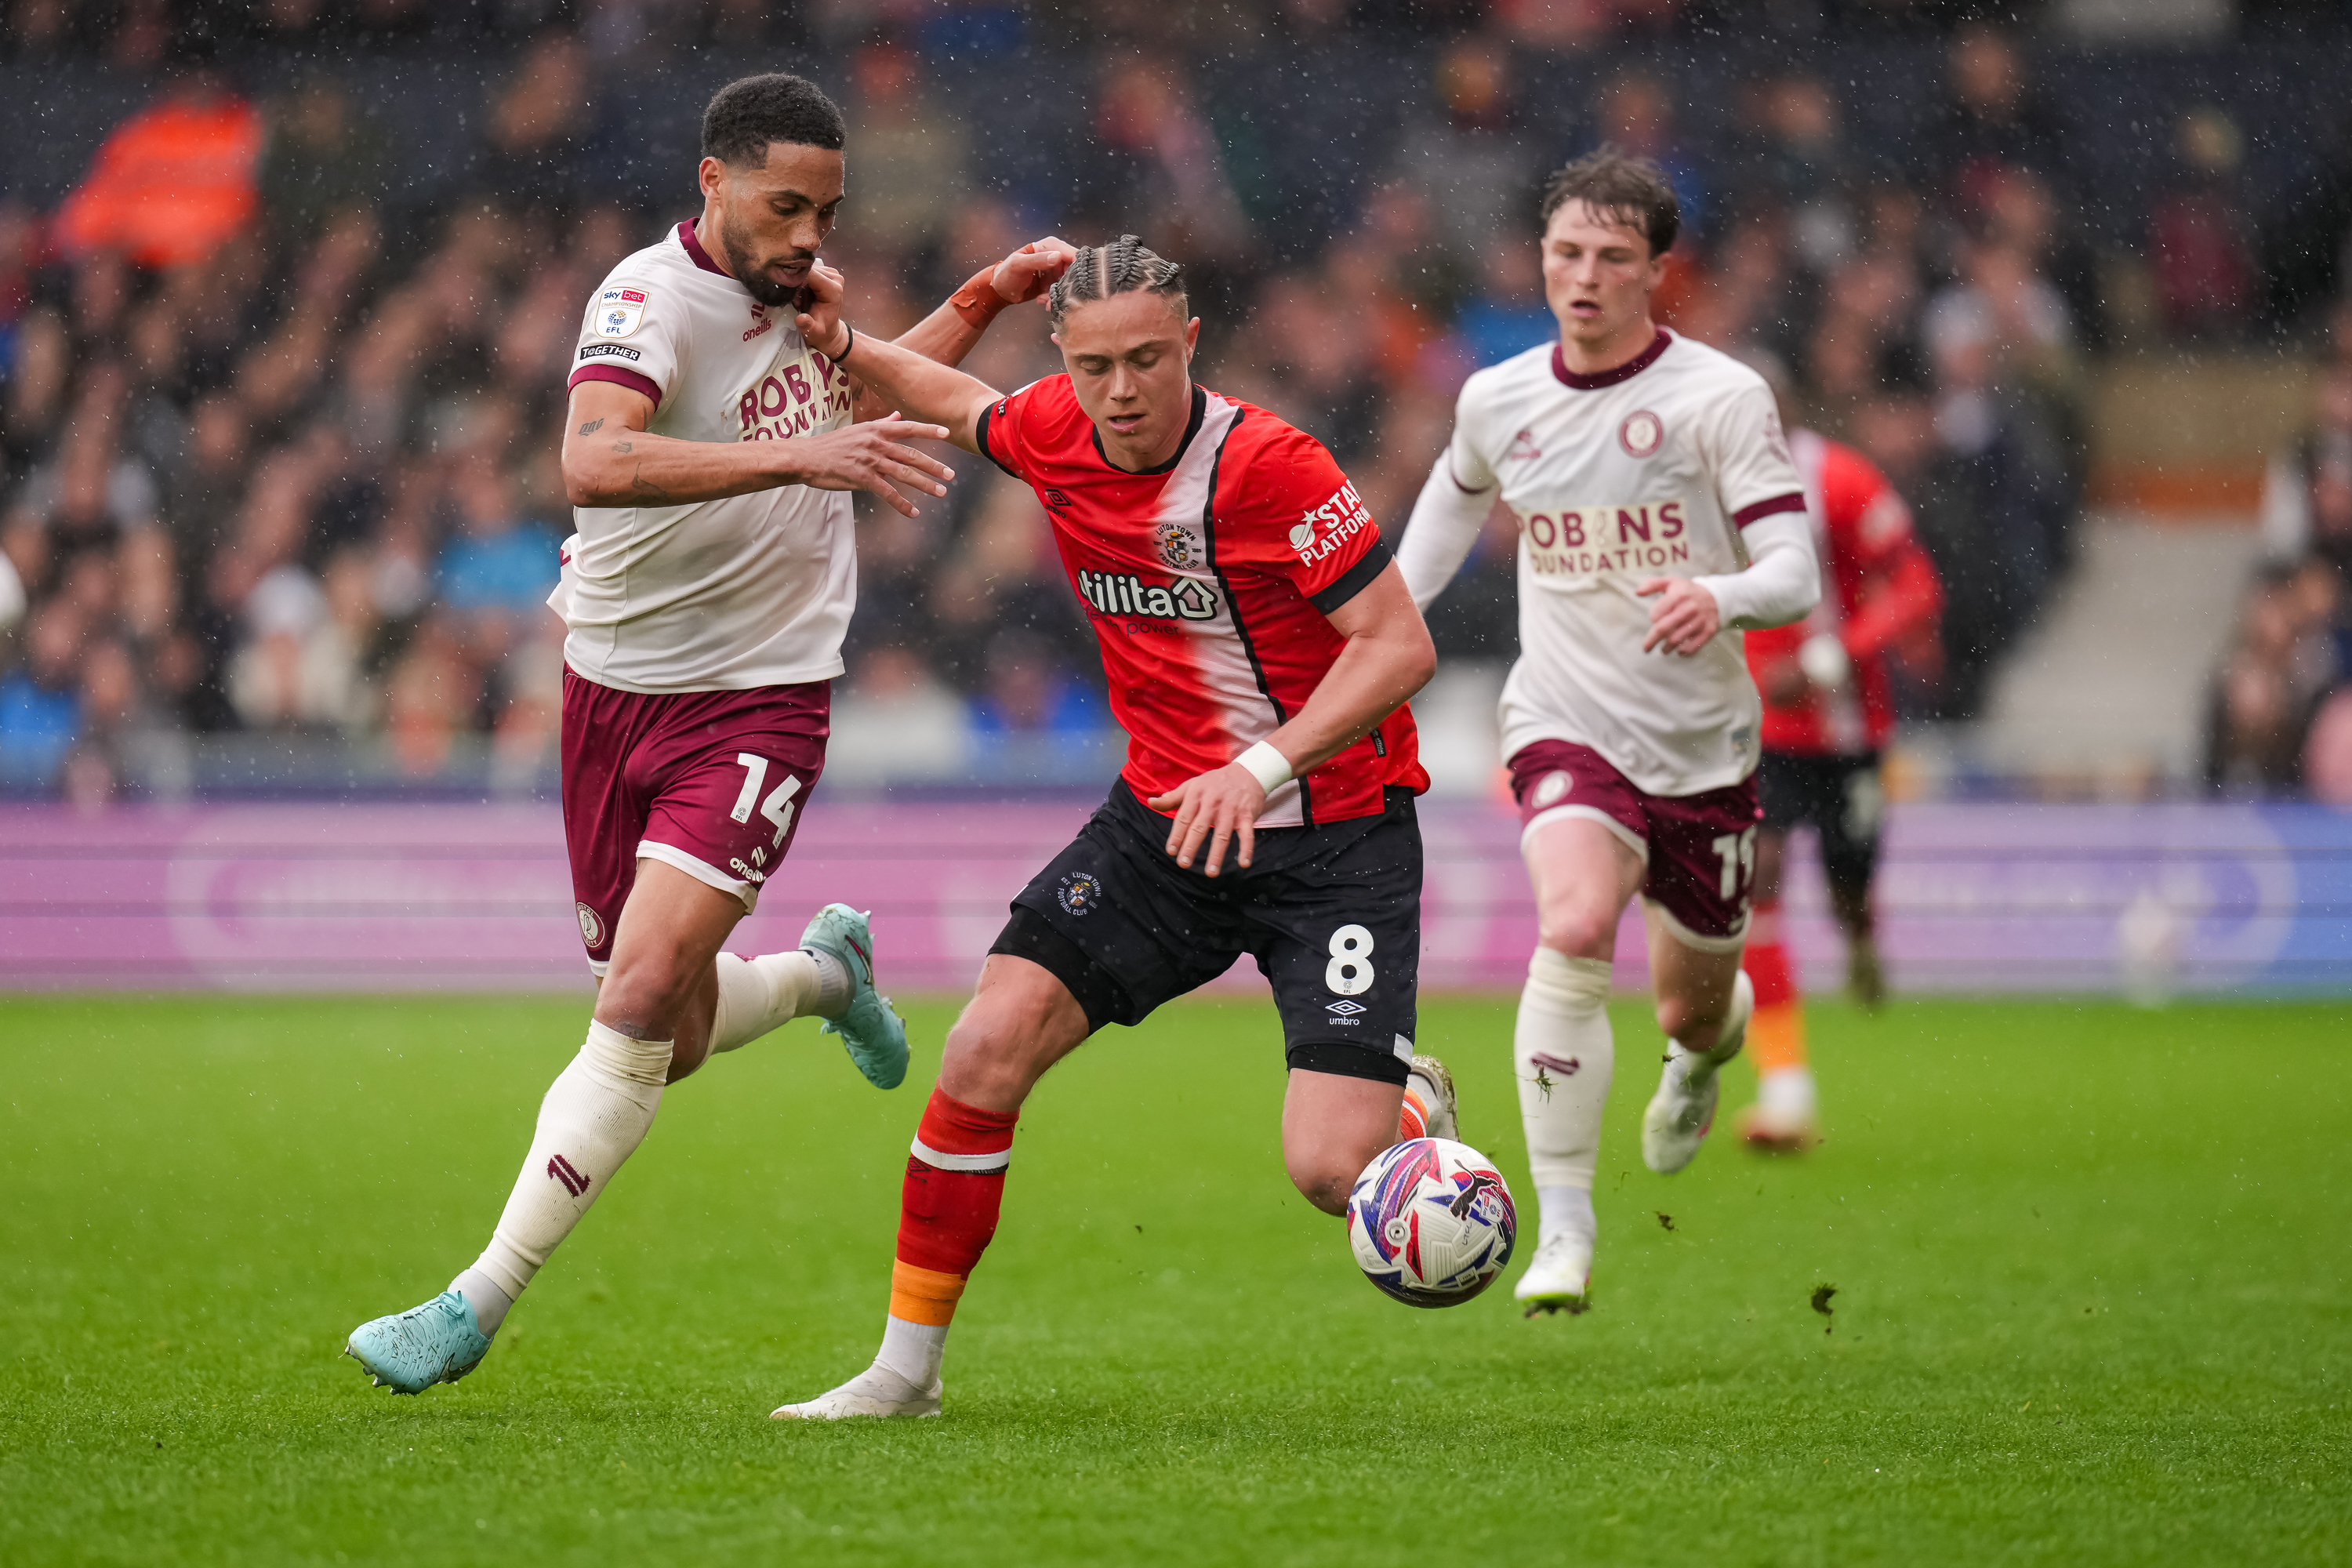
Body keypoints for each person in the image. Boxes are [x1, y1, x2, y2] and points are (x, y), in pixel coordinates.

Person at [344, 72, 1078, 1396]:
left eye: (827, 210)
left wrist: (976, 304)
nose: (810, 234)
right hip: (612, 689)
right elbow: (595, 463)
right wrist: (807, 461)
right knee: (666, 1035)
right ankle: (820, 980)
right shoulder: (645, 302)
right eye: (787, 206)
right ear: (714, 183)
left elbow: (841, 408)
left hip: (763, 697)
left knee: (629, 1005)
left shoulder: (807, 303)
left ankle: (473, 1302)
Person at [772, 235, 1445, 1419]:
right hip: (1166, 829)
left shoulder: (1278, 469)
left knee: (1331, 1172)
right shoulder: (1053, 432)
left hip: (1336, 830)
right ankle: (903, 1375)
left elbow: (1400, 647)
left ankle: (1406, 1102)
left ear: (1190, 344)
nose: (1122, 391)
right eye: (1094, 366)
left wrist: (1262, 762)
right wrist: (842, 341)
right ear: (1064, 360)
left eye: (1146, 359)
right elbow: (957, 401)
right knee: (983, 1049)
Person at [1396, 151, 1820, 1318]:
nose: (1583, 277)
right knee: (1575, 923)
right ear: (1541, 258)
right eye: (1566, 253)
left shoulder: (1718, 398)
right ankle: (1565, 1230)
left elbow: (1794, 571)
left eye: (1612, 258)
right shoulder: (1499, 399)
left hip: (1702, 748)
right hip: (1563, 718)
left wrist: (1719, 595)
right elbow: (1442, 518)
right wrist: (1369, 632)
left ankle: (1701, 1061)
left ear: (1657, 271)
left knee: (1694, 1006)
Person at [1735, 405, 1944, 1150]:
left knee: (1849, 891)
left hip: (1851, 732)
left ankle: (1861, 940)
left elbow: (1919, 588)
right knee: (1757, 882)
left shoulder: (1841, 479)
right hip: (1760, 734)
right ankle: (1786, 1091)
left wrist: (1826, 661)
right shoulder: (1696, 485)